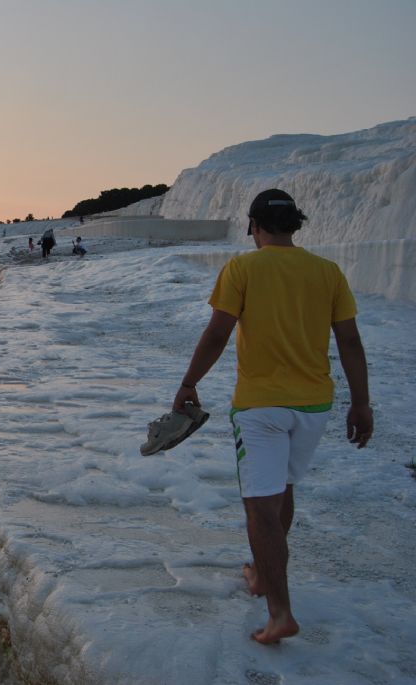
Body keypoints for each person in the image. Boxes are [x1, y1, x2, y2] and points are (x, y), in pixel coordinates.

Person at [172, 188, 372, 645]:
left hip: (261, 406)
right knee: (281, 492)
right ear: (295, 225)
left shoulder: (243, 268)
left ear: (254, 226)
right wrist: (361, 403)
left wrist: (188, 383)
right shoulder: (327, 272)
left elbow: (218, 333)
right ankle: (263, 575)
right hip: (315, 406)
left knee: (260, 506)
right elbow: (351, 343)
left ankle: (279, 610)